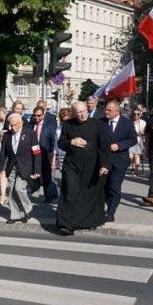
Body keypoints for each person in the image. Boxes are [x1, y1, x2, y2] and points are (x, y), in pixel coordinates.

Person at [55, 101, 109, 236]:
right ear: (73, 113)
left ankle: (88, 222)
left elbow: (104, 147)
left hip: (92, 166)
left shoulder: (97, 125)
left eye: (84, 111)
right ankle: (66, 224)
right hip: (72, 165)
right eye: (78, 112)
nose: (82, 114)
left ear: (87, 109)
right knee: (70, 192)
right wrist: (71, 142)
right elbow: (61, 143)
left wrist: (104, 165)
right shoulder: (68, 125)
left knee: (89, 194)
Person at [0, 113, 41, 223]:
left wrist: (37, 170)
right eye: (11, 125)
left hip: (25, 166)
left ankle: (28, 208)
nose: (13, 128)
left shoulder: (30, 133)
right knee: (11, 190)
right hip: (11, 166)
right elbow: (3, 153)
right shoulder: (7, 135)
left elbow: (37, 153)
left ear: (21, 122)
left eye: (15, 125)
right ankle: (15, 215)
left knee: (19, 188)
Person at [102, 101, 137, 222]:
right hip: (104, 160)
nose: (106, 112)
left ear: (117, 111)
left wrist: (119, 145)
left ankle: (111, 212)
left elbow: (133, 140)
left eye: (109, 110)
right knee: (104, 186)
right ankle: (106, 206)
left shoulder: (126, 124)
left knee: (114, 186)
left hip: (119, 160)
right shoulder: (101, 122)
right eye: (106, 109)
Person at [31, 105, 58, 202]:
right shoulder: (32, 124)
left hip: (45, 154)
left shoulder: (49, 126)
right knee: (33, 173)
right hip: (33, 154)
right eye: (35, 115)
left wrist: (52, 156)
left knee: (46, 175)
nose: (37, 118)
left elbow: (53, 141)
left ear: (43, 115)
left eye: (39, 115)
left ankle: (48, 196)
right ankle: (33, 189)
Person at [129, 108, 146, 175]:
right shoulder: (130, 122)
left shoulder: (143, 122)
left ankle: (136, 171)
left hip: (139, 140)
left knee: (136, 155)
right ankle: (133, 166)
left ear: (140, 115)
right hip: (131, 140)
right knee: (131, 156)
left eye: (138, 114)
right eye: (134, 114)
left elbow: (145, 132)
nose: (136, 115)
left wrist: (142, 132)